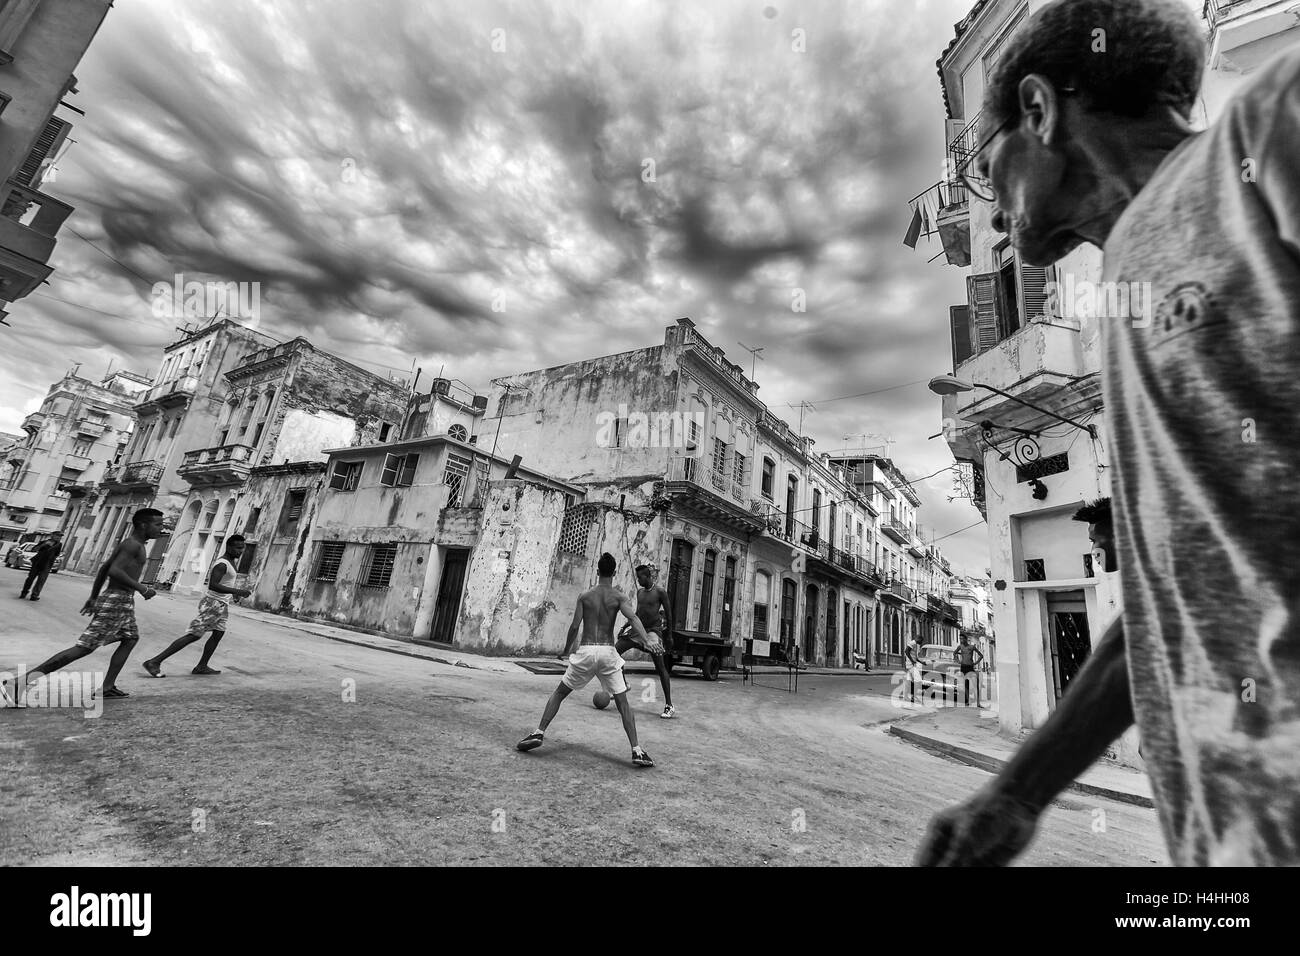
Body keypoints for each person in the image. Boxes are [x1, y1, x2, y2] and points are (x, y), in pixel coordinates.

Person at [918, 0, 1300, 866]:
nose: (991, 199)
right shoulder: (1128, 287)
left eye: (986, 165)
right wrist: (1016, 792)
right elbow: (1169, 597)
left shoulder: (1270, 125)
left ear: (1042, 112)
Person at [516, 552, 657, 767]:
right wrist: (646, 640)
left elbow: (574, 626)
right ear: (615, 573)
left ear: (598, 571)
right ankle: (636, 750)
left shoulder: (585, 596)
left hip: (587, 650)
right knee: (623, 704)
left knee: (560, 693)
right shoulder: (619, 597)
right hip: (608, 652)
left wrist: (565, 650)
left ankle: (538, 732)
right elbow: (633, 618)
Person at [11, 509, 162, 702]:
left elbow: (104, 568)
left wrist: (93, 597)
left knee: (131, 638)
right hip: (117, 600)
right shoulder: (133, 545)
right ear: (143, 525)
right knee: (84, 647)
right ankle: (19, 683)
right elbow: (114, 571)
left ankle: (107, 687)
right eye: (158, 524)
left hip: (122, 601)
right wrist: (142, 588)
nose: (161, 528)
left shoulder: (132, 544)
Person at [142, 534, 250, 677]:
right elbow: (213, 585)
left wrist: (232, 594)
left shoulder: (230, 562)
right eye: (237, 547)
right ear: (229, 547)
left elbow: (224, 583)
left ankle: (201, 666)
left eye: (242, 548)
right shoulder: (222, 564)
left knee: (218, 633)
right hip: (213, 604)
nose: (240, 551)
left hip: (222, 604)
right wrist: (238, 591)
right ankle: (155, 661)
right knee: (194, 634)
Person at [615, 564, 676, 719]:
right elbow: (637, 613)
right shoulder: (640, 592)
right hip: (638, 630)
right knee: (614, 652)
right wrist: (626, 625)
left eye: (640, 577)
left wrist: (669, 636)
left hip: (653, 633)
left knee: (660, 667)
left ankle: (669, 705)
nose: (638, 580)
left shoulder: (660, 592)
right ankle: (623, 684)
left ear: (647, 576)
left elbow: (669, 614)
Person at [19, 531, 63, 601]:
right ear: (52, 535)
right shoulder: (44, 542)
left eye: (60, 536)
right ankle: (24, 592)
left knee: (41, 580)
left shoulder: (59, 544)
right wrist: (44, 545)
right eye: (57, 535)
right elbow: (34, 549)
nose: (59, 537)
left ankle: (34, 595)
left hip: (47, 565)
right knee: (30, 578)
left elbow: (56, 554)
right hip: (37, 563)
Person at [953, 635, 984, 707]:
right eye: (960, 639)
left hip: (970, 667)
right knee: (966, 684)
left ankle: (978, 703)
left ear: (966, 639)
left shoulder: (972, 647)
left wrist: (976, 663)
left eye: (962, 639)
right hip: (963, 667)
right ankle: (968, 701)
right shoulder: (960, 647)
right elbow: (954, 653)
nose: (961, 640)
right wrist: (957, 660)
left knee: (975, 684)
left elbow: (981, 655)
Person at [904, 634, 923, 704]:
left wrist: (921, 662)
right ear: (918, 638)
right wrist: (912, 661)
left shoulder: (915, 644)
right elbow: (906, 651)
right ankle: (913, 696)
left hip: (910, 665)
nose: (921, 642)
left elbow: (915, 657)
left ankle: (906, 697)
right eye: (921, 640)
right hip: (911, 665)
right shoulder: (912, 643)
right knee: (919, 680)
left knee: (908, 681)